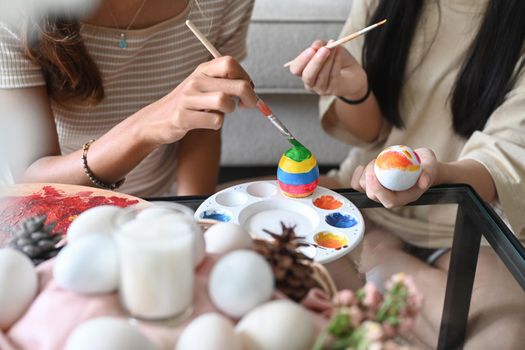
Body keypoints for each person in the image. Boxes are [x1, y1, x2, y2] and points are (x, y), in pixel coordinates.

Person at [288, 0, 525, 348]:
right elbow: (369, 134)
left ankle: (382, 270)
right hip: (364, 203)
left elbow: (505, 160)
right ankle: (387, 274)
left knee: (506, 333)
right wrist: (355, 93)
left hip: (472, 225)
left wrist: (437, 173)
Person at [0, 0, 257, 197]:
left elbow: (203, 123)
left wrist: (196, 218)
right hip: (57, 210)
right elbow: (32, 179)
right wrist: (146, 128)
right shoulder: (14, 13)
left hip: (160, 203)